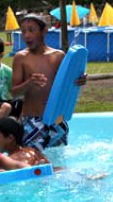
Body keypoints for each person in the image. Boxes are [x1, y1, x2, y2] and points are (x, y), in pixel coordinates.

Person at [11, 14, 86, 152]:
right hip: (32, 122)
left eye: (31, 30)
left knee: (59, 161)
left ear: (44, 31)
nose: (26, 35)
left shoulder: (58, 56)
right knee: (33, 162)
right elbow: (14, 93)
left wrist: (79, 80)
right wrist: (29, 83)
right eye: (23, 31)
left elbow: (68, 84)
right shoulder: (20, 58)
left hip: (57, 119)